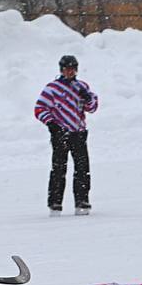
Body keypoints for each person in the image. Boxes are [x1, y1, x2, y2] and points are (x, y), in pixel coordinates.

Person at [35, 54, 99, 216]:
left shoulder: (81, 86)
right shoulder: (52, 88)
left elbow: (92, 108)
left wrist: (88, 98)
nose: (70, 72)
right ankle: (55, 203)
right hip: (60, 133)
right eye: (67, 69)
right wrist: (52, 124)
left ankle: (82, 200)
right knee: (58, 169)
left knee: (82, 168)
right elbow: (40, 109)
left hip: (78, 133)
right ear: (61, 70)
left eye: (73, 69)